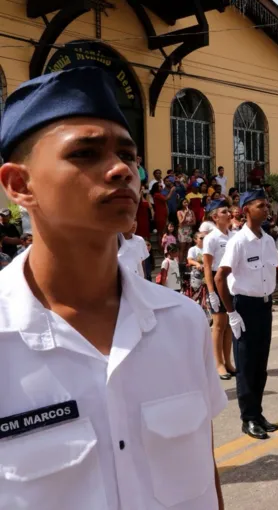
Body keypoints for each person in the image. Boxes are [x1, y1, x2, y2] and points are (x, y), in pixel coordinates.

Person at [0, 67, 225, 509]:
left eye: (128, 154)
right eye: (85, 153)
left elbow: (205, 474)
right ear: (19, 185)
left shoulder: (182, 322)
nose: (122, 169)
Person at [213, 189, 278, 439]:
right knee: (246, 365)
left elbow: (271, 267)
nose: (266, 209)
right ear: (246, 210)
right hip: (245, 306)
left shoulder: (268, 240)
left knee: (260, 365)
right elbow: (220, 277)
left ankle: (258, 412)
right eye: (260, 205)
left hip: (264, 305)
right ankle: (248, 418)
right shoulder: (238, 241)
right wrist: (232, 313)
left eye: (266, 205)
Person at [203, 199, 236, 379]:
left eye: (228, 211)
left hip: (232, 280)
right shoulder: (211, 237)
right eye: (224, 212)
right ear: (215, 217)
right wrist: (211, 292)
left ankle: (228, 361)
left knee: (230, 324)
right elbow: (207, 266)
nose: (228, 214)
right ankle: (218, 363)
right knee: (219, 325)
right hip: (217, 279)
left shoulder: (233, 235)